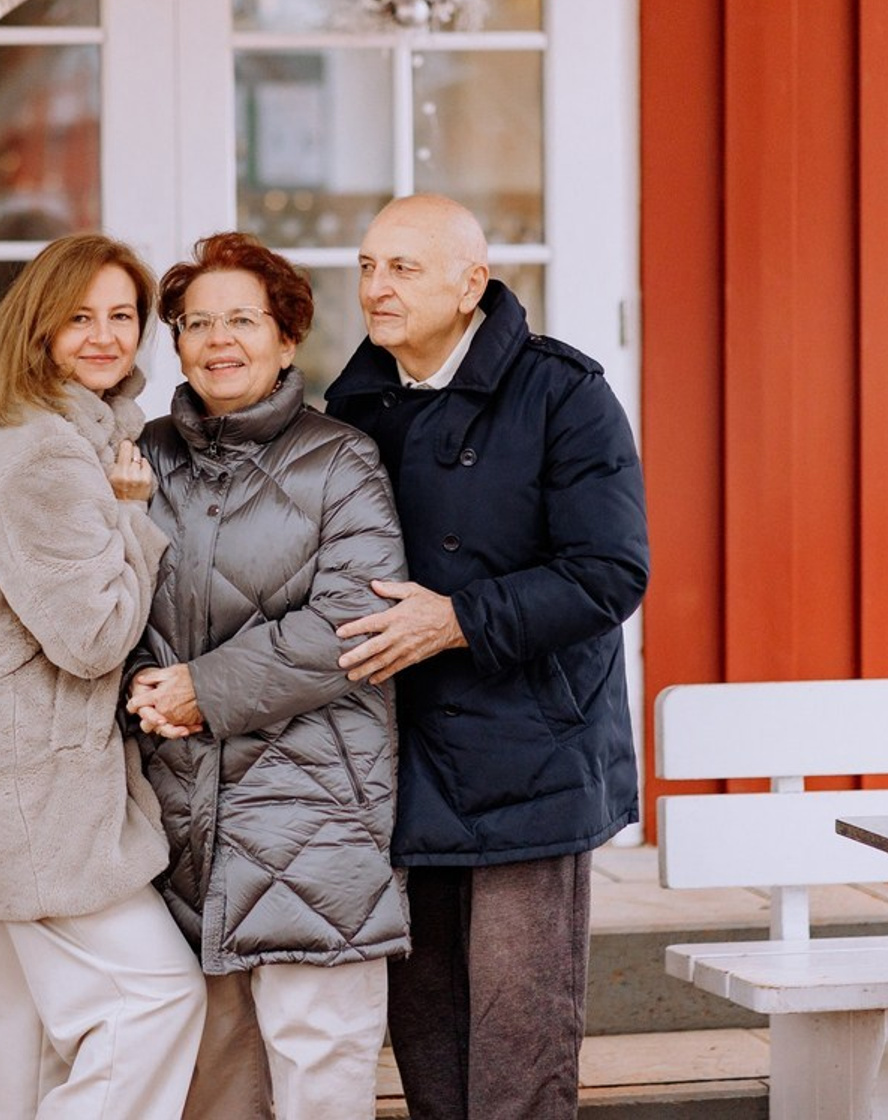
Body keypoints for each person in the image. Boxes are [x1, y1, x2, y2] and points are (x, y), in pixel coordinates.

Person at [325, 194, 650, 1120]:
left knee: (519, 1048)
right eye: (367, 266)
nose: (376, 289)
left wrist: (458, 620)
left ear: (472, 286)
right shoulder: (354, 402)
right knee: (426, 1038)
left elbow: (609, 573)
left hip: (532, 755)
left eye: (403, 268)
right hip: (403, 753)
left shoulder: (563, 392)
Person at [124, 231, 410, 1120]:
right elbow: (106, 592)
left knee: (319, 1069)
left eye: (242, 320)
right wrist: (143, 682)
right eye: (197, 323)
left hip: (313, 810)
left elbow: (348, 625)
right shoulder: (143, 455)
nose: (219, 341)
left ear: (287, 338)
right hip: (176, 817)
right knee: (209, 1087)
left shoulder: (341, 460)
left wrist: (204, 689)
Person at [0, 233, 205, 1119]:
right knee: (157, 997)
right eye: (79, 317)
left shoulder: (41, 431)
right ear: (38, 327)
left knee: (14, 1036)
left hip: (1, 772)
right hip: (31, 787)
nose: (105, 336)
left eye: (122, 316)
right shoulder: (45, 452)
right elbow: (91, 636)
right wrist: (131, 518)